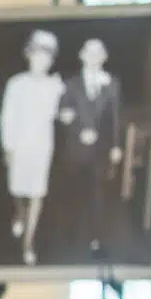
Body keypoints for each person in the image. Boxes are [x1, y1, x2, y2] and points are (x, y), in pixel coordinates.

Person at [50, 36, 126, 264]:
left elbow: (115, 118)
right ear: (82, 56)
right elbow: (62, 112)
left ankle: (95, 240)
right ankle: (70, 238)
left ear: (104, 58)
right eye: (89, 53)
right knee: (73, 193)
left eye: (98, 53)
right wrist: (76, 127)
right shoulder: (71, 84)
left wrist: (115, 145)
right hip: (75, 150)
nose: (94, 58)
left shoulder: (112, 84)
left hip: (100, 152)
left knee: (98, 195)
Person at [0, 28, 64, 264]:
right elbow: (7, 116)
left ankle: (28, 243)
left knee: (36, 194)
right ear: (29, 55)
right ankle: (19, 214)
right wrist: (8, 146)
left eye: (47, 56)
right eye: (37, 54)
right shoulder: (16, 84)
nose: (41, 60)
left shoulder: (55, 86)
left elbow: (62, 111)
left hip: (42, 146)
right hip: (19, 144)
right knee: (17, 191)